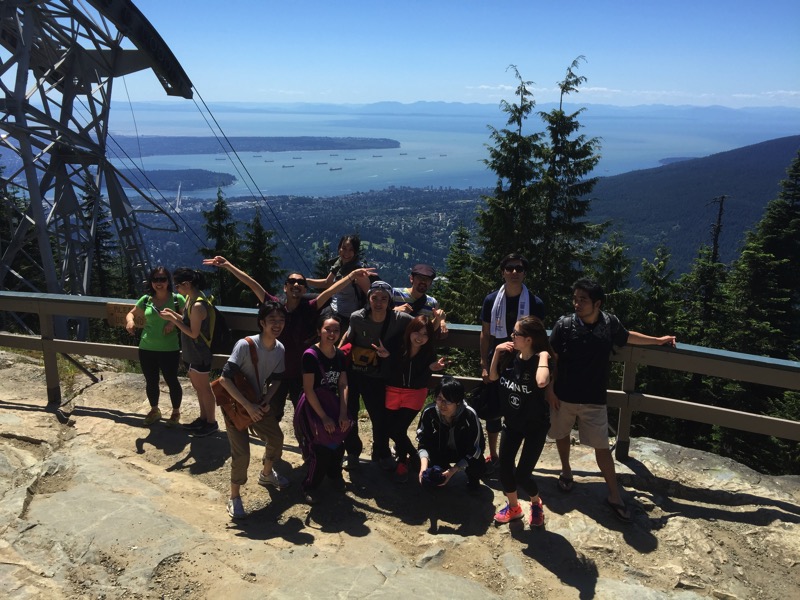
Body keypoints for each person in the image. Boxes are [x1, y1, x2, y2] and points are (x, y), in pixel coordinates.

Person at [547, 278, 676, 522]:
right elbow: (553, 356)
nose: (577, 303)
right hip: (563, 395)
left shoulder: (609, 323)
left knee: (603, 448)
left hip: (594, 399)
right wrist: (550, 390)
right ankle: (566, 471)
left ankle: (614, 494)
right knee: (561, 434)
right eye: (575, 298)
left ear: (597, 303)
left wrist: (657, 340)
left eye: (582, 299)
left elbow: (627, 337)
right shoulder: (563, 325)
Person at [203, 256, 375, 423]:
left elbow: (331, 290)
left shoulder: (310, 307)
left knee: (305, 414)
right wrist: (228, 266)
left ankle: (306, 446)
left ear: (305, 290)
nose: (296, 284)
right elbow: (252, 284)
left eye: (301, 282)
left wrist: (351, 276)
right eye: (292, 281)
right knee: (271, 412)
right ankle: (272, 446)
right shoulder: (276, 307)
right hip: (277, 373)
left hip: (303, 374)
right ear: (285, 287)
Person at [218, 301, 289, 519]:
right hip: (236, 406)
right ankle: (234, 497)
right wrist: (248, 406)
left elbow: (277, 379)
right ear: (261, 323)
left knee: (276, 438)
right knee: (242, 454)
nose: (277, 325)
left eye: (281, 320)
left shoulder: (279, 349)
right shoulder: (245, 345)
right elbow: (224, 379)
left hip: (256, 403)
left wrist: (266, 399)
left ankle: (266, 474)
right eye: (272, 320)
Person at [479, 253, 545, 472]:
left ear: (525, 273)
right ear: (503, 272)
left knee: (521, 405)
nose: (514, 272)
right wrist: (484, 364)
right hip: (497, 356)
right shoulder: (491, 300)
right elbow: (485, 333)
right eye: (510, 268)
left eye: (519, 268)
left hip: (524, 361)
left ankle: (518, 459)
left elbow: (537, 336)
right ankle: (494, 453)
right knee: (493, 405)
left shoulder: (535, 303)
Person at [339, 280, 413, 471]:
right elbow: (348, 337)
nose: (378, 302)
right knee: (350, 414)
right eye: (374, 297)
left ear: (390, 301)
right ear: (368, 298)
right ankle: (353, 452)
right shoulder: (357, 317)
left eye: (383, 298)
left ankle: (381, 451)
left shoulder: (401, 319)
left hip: (378, 377)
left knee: (379, 417)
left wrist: (440, 321)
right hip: (354, 373)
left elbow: (420, 331)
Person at [489, 316, 553, 527]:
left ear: (529, 339)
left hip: (535, 426)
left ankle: (536, 503)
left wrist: (543, 356)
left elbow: (542, 382)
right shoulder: (509, 357)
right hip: (513, 423)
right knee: (505, 469)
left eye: (516, 334)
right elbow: (492, 377)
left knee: (524, 476)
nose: (512, 337)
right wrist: (497, 353)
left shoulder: (540, 363)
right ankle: (514, 507)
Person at [381, 316, 449, 482]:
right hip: (393, 390)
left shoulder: (428, 352)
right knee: (394, 429)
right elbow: (389, 372)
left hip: (415, 393)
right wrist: (387, 357)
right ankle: (412, 457)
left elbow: (421, 381)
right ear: (409, 331)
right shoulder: (397, 346)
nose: (420, 337)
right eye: (417, 332)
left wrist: (430, 368)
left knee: (397, 429)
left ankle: (405, 460)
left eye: (425, 334)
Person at [296, 314, 351, 504]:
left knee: (338, 443)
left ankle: (334, 475)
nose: (332, 333)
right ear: (319, 330)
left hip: (332, 403)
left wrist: (343, 412)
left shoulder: (341, 355)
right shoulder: (310, 356)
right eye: (328, 329)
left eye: (336, 330)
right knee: (320, 448)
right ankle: (310, 485)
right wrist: (324, 417)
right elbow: (308, 389)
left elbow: (343, 384)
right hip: (314, 407)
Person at [159, 268, 218, 437]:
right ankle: (203, 418)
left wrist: (172, 320)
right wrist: (173, 315)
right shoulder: (190, 299)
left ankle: (211, 422)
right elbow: (186, 322)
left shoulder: (198, 305)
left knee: (204, 388)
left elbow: (193, 332)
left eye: (177, 285)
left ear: (186, 284)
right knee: (198, 387)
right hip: (192, 352)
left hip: (199, 352)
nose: (176, 288)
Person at [125, 267, 186, 427]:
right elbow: (131, 313)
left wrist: (173, 322)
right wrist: (130, 321)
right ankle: (154, 410)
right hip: (146, 348)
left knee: (171, 380)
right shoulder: (146, 299)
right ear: (151, 282)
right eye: (155, 280)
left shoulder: (177, 299)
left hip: (169, 348)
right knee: (151, 381)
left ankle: (175, 412)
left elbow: (187, 318)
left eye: (163, 279)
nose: (159, 283)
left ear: (168, 281)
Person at [416, 376, 485, 490]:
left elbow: (477, 448)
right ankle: (440, 473)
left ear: (458, 401)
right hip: (440, 451)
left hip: (464, 451)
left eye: (447, 400)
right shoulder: (430, 413)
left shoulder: (469, 415)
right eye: (439, 398)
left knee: (477, 465)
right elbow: (423, 442)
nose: (442, 404)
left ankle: (473, 480)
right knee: (431, 473)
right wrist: (423, 468)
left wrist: (454, 470)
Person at [307, 234, 371, 332]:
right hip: (333, 307)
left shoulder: (357, 271)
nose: (346, 253)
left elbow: (370, 294)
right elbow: (327, 283)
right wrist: (305, 281)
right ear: (339, 248)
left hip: (346, 316)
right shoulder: (339, 263)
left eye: (351, 250)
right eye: (344, 248)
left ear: (356, 252)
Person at [392, 263, 448, 337]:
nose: (423, 281)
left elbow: (429, 329)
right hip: (394, 346)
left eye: (427, 279)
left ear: (430, 283)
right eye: (420, 278)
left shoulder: (432, 303)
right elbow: (377, 312)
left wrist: (440, 320)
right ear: (411, 278)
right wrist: (394, 311)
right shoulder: (395, 294)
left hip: (416, 346)